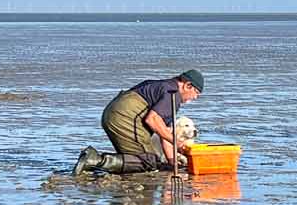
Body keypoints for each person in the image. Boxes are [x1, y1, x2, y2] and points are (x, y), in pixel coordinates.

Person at [75, 70, 204, 176]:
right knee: (148, 161)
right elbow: (152, 119)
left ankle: (93, 165)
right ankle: (94, 160)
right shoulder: (173, 94)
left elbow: (163, 132)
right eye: (196, 93)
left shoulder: (164, 86)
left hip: (111, 114)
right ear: (187, 85)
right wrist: (177, 142)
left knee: (134, 158)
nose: (195, 97)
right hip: (124, 117)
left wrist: (172, 161)